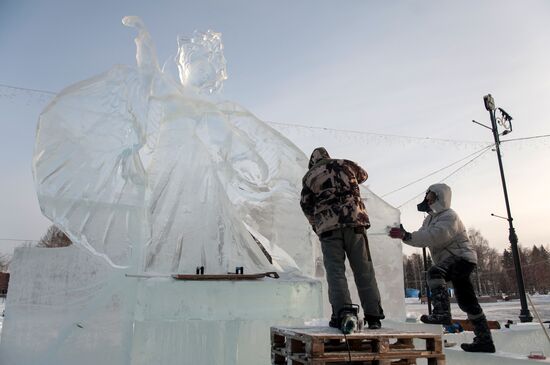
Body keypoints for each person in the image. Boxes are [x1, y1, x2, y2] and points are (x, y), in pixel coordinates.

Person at [389, 183, 495, 353]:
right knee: (467, 302)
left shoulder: (449, 216)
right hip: (453, 261)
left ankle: (442, 313)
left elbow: (435, 236)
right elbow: (423, 236)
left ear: (440, 197)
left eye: (430, 196)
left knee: (435, 272)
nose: (427, 199)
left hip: (462, 258)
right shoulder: (430, 219)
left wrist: (406, 235)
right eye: (427, 196)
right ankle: (485, 340)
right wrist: (406, 236)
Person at [300, 147, 384, 330]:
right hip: (355, 222)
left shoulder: (309, 176)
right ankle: (374, 316)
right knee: (364, 269)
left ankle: (343, 313)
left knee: (335, 271)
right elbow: (363, 176)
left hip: (329, 227)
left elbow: (306, 205)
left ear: (313, 161)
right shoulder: (346, 164)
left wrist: (317, 225)